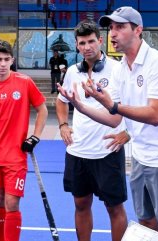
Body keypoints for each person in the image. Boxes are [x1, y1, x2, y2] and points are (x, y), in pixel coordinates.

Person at [59, 6, 158, 241]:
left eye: (120, 27)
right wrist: (81, 107)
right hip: (141, 158)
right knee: (146, 225)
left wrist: (113, 106)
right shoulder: (122, 69)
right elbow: (115, 119)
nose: (113, 33)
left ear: (138, 30)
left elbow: (155, 114)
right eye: (111, 28)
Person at [56, 20, 129, 241]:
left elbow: (135, 106)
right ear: (77, 46)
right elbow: (61, 102)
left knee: (113, 208)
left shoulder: (119, 69)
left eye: (91, 41)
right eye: (82, 43)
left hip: (108, 150)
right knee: (80, 204)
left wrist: (128, 133)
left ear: (100, 40)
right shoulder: (71, 72)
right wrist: (63, 125)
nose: (87, 46)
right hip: (78, 151)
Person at [0, 40, 48, 241]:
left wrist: (35, 136)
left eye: (7, 59)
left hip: (15, 156)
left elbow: (42, 109)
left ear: (12, 60)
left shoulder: (24, 82)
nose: (3, 64)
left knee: (12, 203)